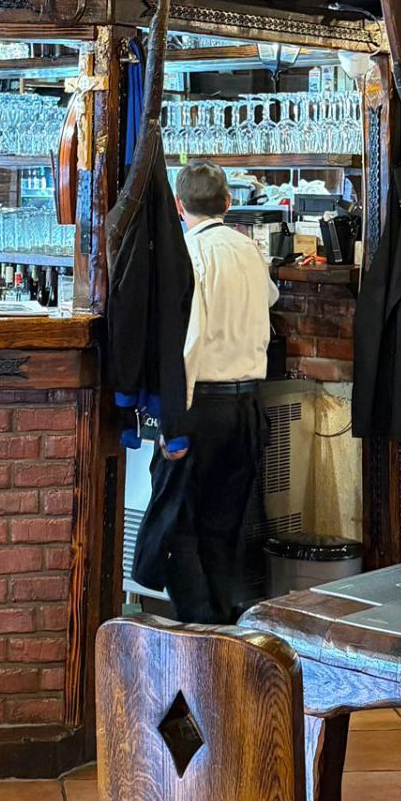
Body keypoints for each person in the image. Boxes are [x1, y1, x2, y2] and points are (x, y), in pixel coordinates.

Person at [155, 159, 280, 623]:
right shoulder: (248, 248)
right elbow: (271, 298)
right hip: (247, 407)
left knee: (175, 527)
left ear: (178, 205)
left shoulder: (189, 253)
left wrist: (172, 420)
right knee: (224, 530)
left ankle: (201, 631)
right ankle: (221, 630)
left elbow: (187, 341)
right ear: (228, 202)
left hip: (201, 406)